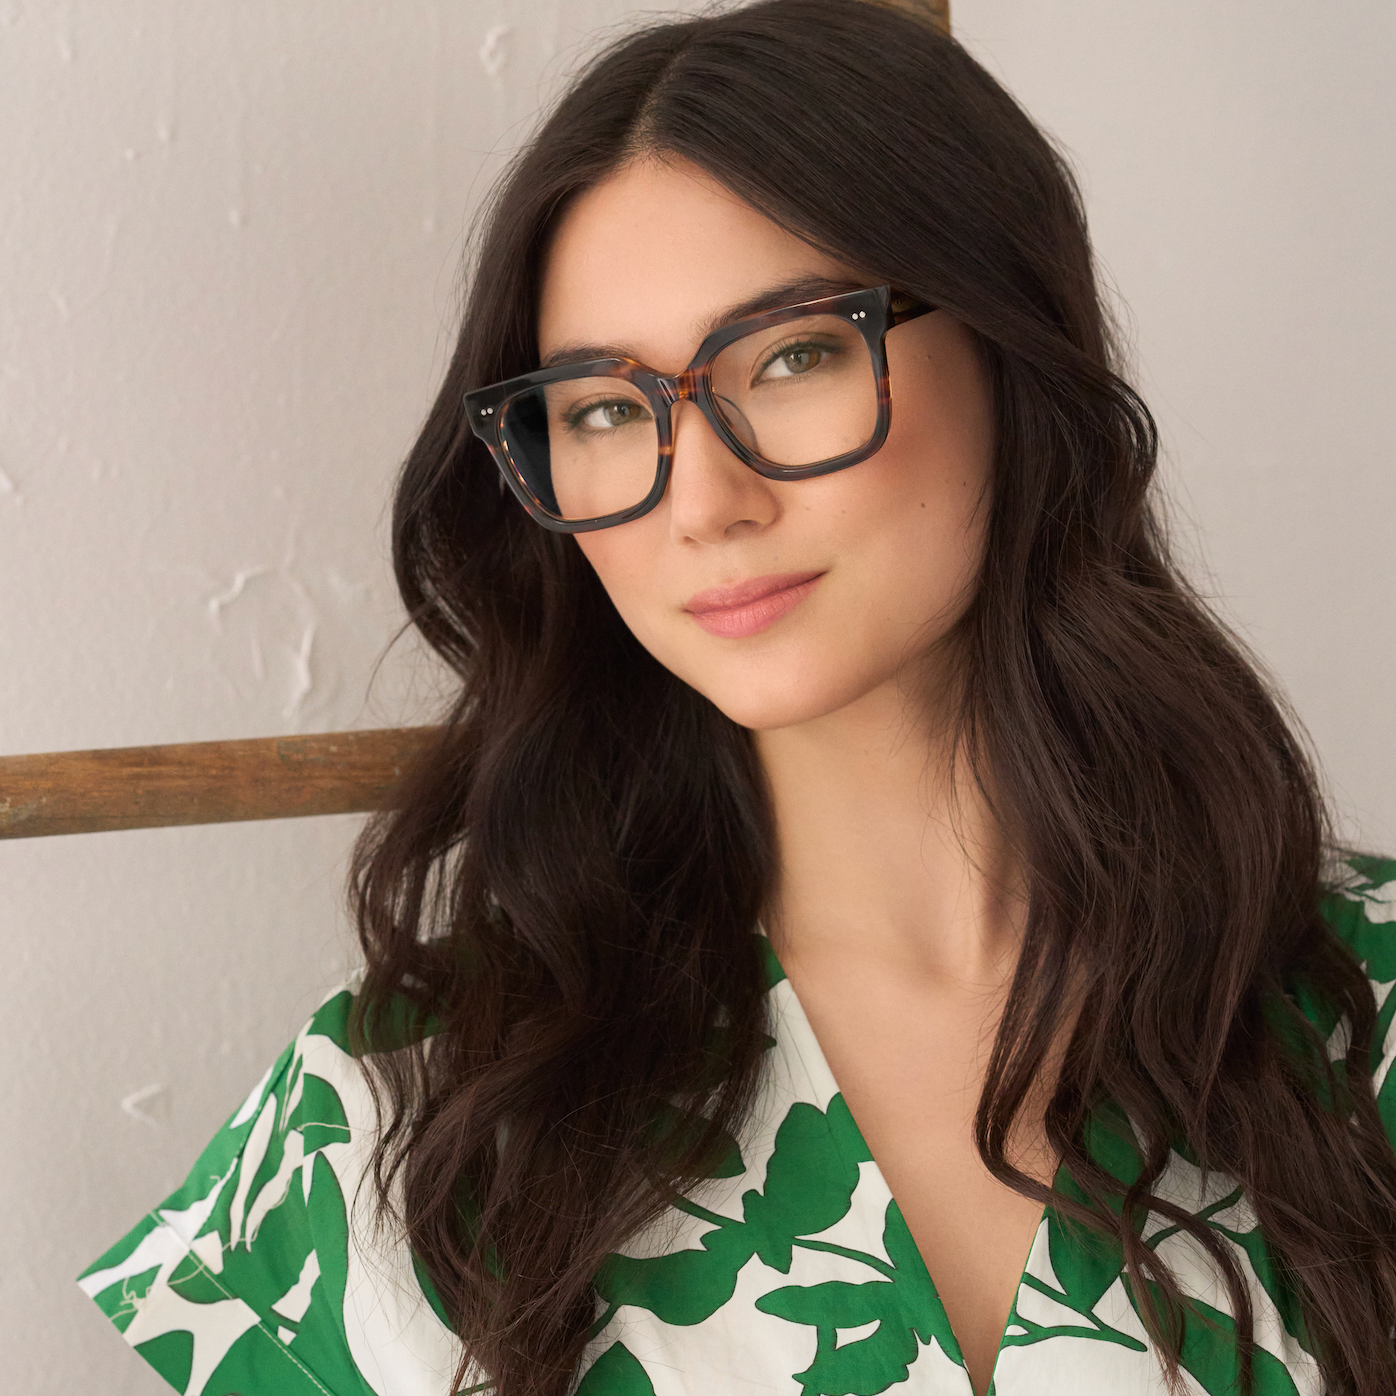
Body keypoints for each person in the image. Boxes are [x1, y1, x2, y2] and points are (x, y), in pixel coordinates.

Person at [79, 1, 1396, 1393]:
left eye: (793, 356)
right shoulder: (387, 1128)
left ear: (1015, 346)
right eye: (601, 408)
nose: (705, 499)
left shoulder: (1362, 1011)